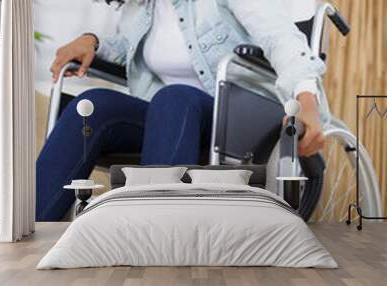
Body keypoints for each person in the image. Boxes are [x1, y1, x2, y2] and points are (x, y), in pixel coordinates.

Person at [37, 0, 327, 221]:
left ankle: (154, 236)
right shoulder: (141, 6)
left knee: (174, 98)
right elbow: (127, 47)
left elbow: (280, 38)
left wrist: (307, 100)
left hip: (233, 116)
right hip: (168, 120)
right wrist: (91, 41)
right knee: (91, 106)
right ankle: (32, 228)